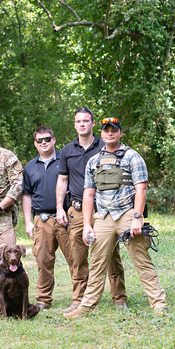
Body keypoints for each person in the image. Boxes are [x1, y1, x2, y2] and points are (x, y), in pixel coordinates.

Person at [64, 117, 167, 318]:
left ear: (120, 133)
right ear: (101, 134)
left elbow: (141, 188)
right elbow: (88, 194)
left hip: (127, 214)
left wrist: (137, 217)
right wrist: (87, 224)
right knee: (96, 262)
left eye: (114, 130)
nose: (110, 133)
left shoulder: (133, 157)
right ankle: (86, 307)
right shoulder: (94, 161)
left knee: (142, 260)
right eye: (106, 131)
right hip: (102, 216)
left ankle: (159, 305)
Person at [56, 108, 126, 314]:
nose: (82, 124)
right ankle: (79, 299)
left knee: (112, 255)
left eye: (86, 121)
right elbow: (62, 180)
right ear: (75, 124)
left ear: (93, 123)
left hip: (104, 210)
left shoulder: (105, 146)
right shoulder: (67, 150)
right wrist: (60, 207)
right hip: (77, 210)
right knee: (78, 257)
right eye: (78, 121)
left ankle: (119, 298)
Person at [22, 126, 75, 311]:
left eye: (47, 139)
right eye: (39, 140)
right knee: (43, 261)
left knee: (75, 258)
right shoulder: (30, 166)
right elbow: (27, 196)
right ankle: (43, 300)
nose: (43, 143)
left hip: (66, 218)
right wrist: (28, 222)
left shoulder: (66, 160)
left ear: (54, 140)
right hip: (41, 220)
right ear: (35, 144)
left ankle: (81, 297)